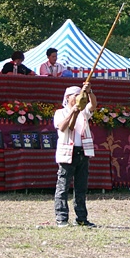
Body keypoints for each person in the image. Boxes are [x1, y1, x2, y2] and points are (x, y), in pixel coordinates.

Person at [54, 84, 97, 227]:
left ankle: (81, 218)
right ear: (68, 97)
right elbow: (62, 127)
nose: (80, 97)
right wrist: (73, 111)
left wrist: (89, 91)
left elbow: (93, 105)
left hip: (82, 152)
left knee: (81, 187)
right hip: (67, 153)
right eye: (76, 95)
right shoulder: (60, 112)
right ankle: (61, 217)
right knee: (63, 186)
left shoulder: (84, 112)